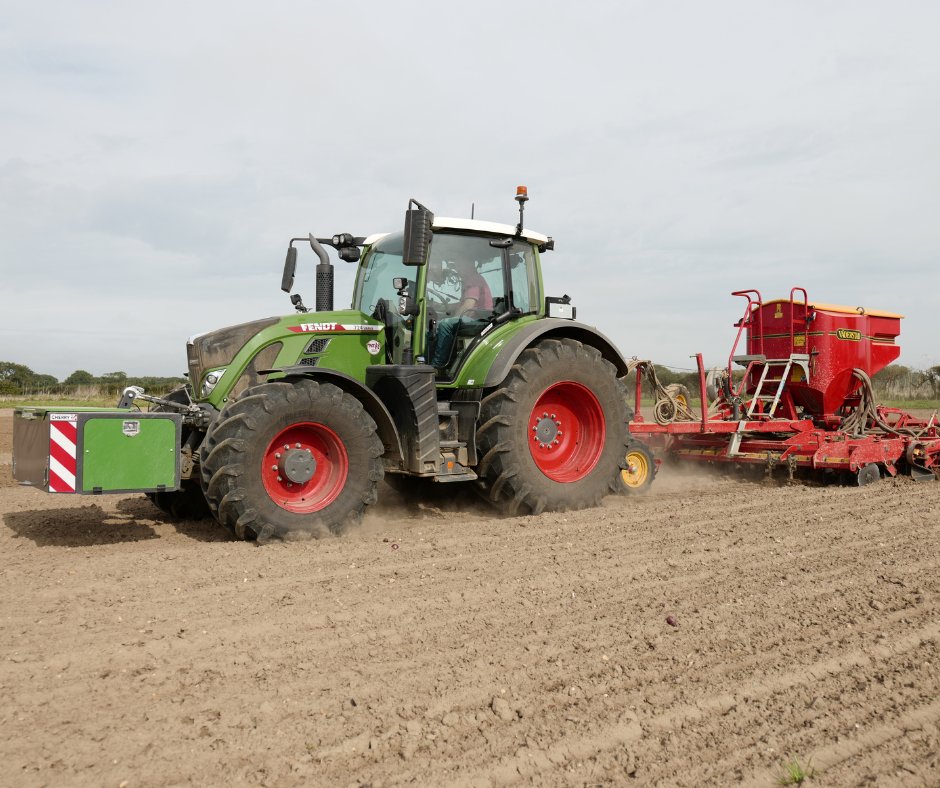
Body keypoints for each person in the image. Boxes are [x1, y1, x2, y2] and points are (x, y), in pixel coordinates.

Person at [430, 257, 493, 370]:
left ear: (469, 266)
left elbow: (468, 305)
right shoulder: (471, 280)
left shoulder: (474, 279)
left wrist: (451, 318)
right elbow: (461, 304)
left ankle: (438, 364)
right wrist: (439, 305)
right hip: (474, 317)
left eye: (459, 266)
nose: (458, 270)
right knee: (434, 324)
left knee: (445, 324)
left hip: (480, 319)